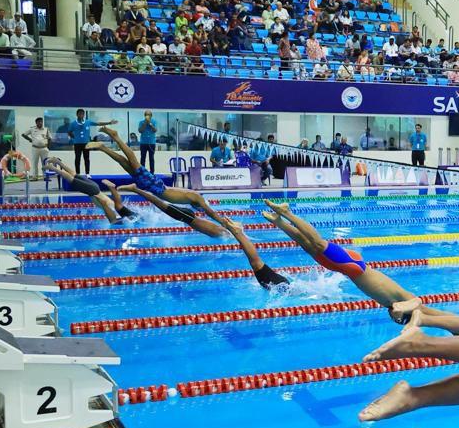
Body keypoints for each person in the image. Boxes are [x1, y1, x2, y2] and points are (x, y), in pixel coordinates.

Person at [262, 200, 425, 318]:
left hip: (347, 269)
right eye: (400, 320)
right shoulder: (404, 301)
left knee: (310, 248)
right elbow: (419, 303)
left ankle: (279, 222)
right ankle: (287, 212)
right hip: (354, 265)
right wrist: (406, 315)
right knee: (318, 243)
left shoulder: (392, 304)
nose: (395, 319)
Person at [89, 126, 229, 236]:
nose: (202, 209)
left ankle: (103, 148)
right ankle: (115, 136)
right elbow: (211, 213)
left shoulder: (194, 198)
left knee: (125, 164)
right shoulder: (198, 198)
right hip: (157, 187)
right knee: (133, 161)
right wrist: (224, 222)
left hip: (155, 187)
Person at [41, 158, 131, 224]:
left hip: (96, 188)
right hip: (93, 191)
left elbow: (117, 201)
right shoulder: (113, 213)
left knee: (75, 175)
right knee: (72, 180)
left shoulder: (116, 206)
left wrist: (111, 189)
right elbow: (112, 219)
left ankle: (58, 162)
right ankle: (53, 168)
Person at [219, 217, 290, 289]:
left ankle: (238, 232)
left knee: (256, 264)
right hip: (281, 286)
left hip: (282, 285)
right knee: (256, 264)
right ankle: (238, 232)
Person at [68, 108, 116, 175]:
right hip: (77, 144)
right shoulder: (73, 124)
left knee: (87, 159)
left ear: (84, 115)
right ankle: (77, 173)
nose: (81, 115)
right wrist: (75, 138)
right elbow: (69, 132)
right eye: (80, 114)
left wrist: (109, 122)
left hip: (86, 144)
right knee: (77, 159)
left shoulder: (87, 122)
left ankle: (87, 173)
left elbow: (98, 123)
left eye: (82, 114)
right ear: (77, 115)